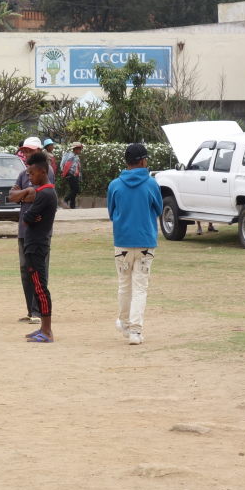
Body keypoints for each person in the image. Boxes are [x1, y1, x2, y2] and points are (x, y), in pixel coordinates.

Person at [107, 142, 163, 346]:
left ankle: (124, 322)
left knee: (124, 285)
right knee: (140, 287)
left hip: (122, 241)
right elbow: (158, 209)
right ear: (142, 161)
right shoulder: (151, 184)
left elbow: (111, 212)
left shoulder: (115, 184)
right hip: (146, 242)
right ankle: (136, 332)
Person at [9, 137, 55, 325]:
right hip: (24, 233)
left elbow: (36, 196)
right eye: (25, 151)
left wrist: (26, 194)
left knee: (39, 274)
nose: (26, 154)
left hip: (39, 235)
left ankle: (40, 314)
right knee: (25, 271)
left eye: (30, 151)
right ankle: (31, 310)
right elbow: (12, 196)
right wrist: (25, 193)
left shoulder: (46, 173)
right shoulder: (25, 173)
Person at [21, 152, 58, 343]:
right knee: (37, 286)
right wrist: (32, 216)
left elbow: (27, 218)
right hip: (32, 244)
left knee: (41, 288)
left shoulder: (45, 193)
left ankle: (47, 331)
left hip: (37, 245)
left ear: (42, 172)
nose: (29, 177)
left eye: (32, 173)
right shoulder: (42, 192)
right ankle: (42, 327)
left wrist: (31, 215)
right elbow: (31, 217)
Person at [60, 142, 83, 209]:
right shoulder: (70, 156)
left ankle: (72, 205)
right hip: (70, 174)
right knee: (75, 189)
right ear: (75, 149)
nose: (80, 150)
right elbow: (65, 165)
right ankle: (65, 200)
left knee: (73, 189)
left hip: (74, 175)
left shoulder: (76, 156)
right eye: (79, 149)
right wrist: (66, 173)